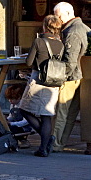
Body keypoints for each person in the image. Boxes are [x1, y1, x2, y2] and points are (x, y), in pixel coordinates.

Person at [18, 14, 65, 157]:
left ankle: (46, 140)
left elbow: (28, 62)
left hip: (38, 80)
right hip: (54, 82)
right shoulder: (61, 44)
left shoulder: (39, 41)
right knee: (46, 116)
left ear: (45, 26)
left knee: (24, 109)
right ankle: (43, 147)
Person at [51, 2, 90, 153]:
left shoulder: (73, 31)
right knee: (70, 113)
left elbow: (70, 60)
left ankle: (55, 144)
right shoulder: (83, 28)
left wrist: (62, 78)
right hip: (79, 75)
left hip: (71, 77)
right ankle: (59, 143)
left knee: (61, 112)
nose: (57, 19)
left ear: (68, 14)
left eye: (59, 16)